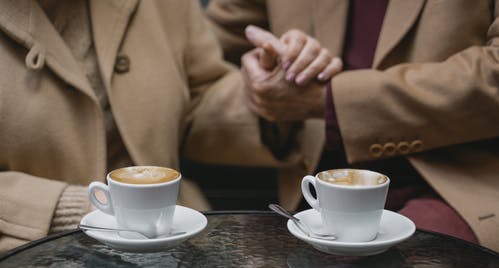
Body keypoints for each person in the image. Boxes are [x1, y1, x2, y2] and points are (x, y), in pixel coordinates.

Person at [0, 0, 337, 251]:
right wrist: (72, 209)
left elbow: (197, 99)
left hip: (178, 249)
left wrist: (274, 98)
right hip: (28, 266)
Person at [205, 0, 499, 251]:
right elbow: (205, 59)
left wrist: (331, 101)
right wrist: (262, 73)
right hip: (315, 199)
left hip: (462, 186)